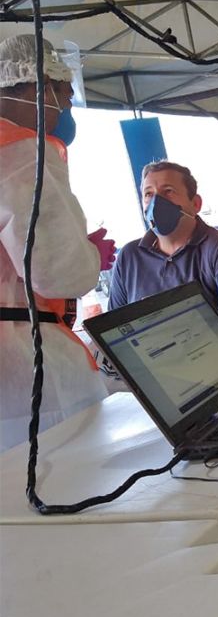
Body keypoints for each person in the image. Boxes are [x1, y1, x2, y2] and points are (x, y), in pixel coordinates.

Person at [0, 34, 115, 451]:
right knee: (62, 487)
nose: (64, 109)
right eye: (62, 95)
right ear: (33, 85)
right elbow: (56, 271)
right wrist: (89, 257)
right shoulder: (19, 154)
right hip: (26, 372)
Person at [109, 161, 218, 330]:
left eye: (168, 191)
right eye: (148, 194)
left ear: (195, 204)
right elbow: (113, 324)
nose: (156, 201)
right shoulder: (129, 257)